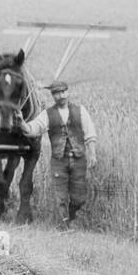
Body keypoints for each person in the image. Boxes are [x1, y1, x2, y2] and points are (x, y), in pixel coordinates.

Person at [19, 81, 97, 227]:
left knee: (79, 197)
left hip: (79, 160)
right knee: (60, 196)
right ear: (53, 95)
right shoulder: (47, 114)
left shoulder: (80, 111)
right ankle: (64, 225)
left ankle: (72, 216)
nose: (61, 96)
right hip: (59, 161)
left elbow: (90, 134)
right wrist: (22, 123)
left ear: (68, 92)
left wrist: (92, 154)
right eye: (57, 93)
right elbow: (33, 129)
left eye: (63, 92)